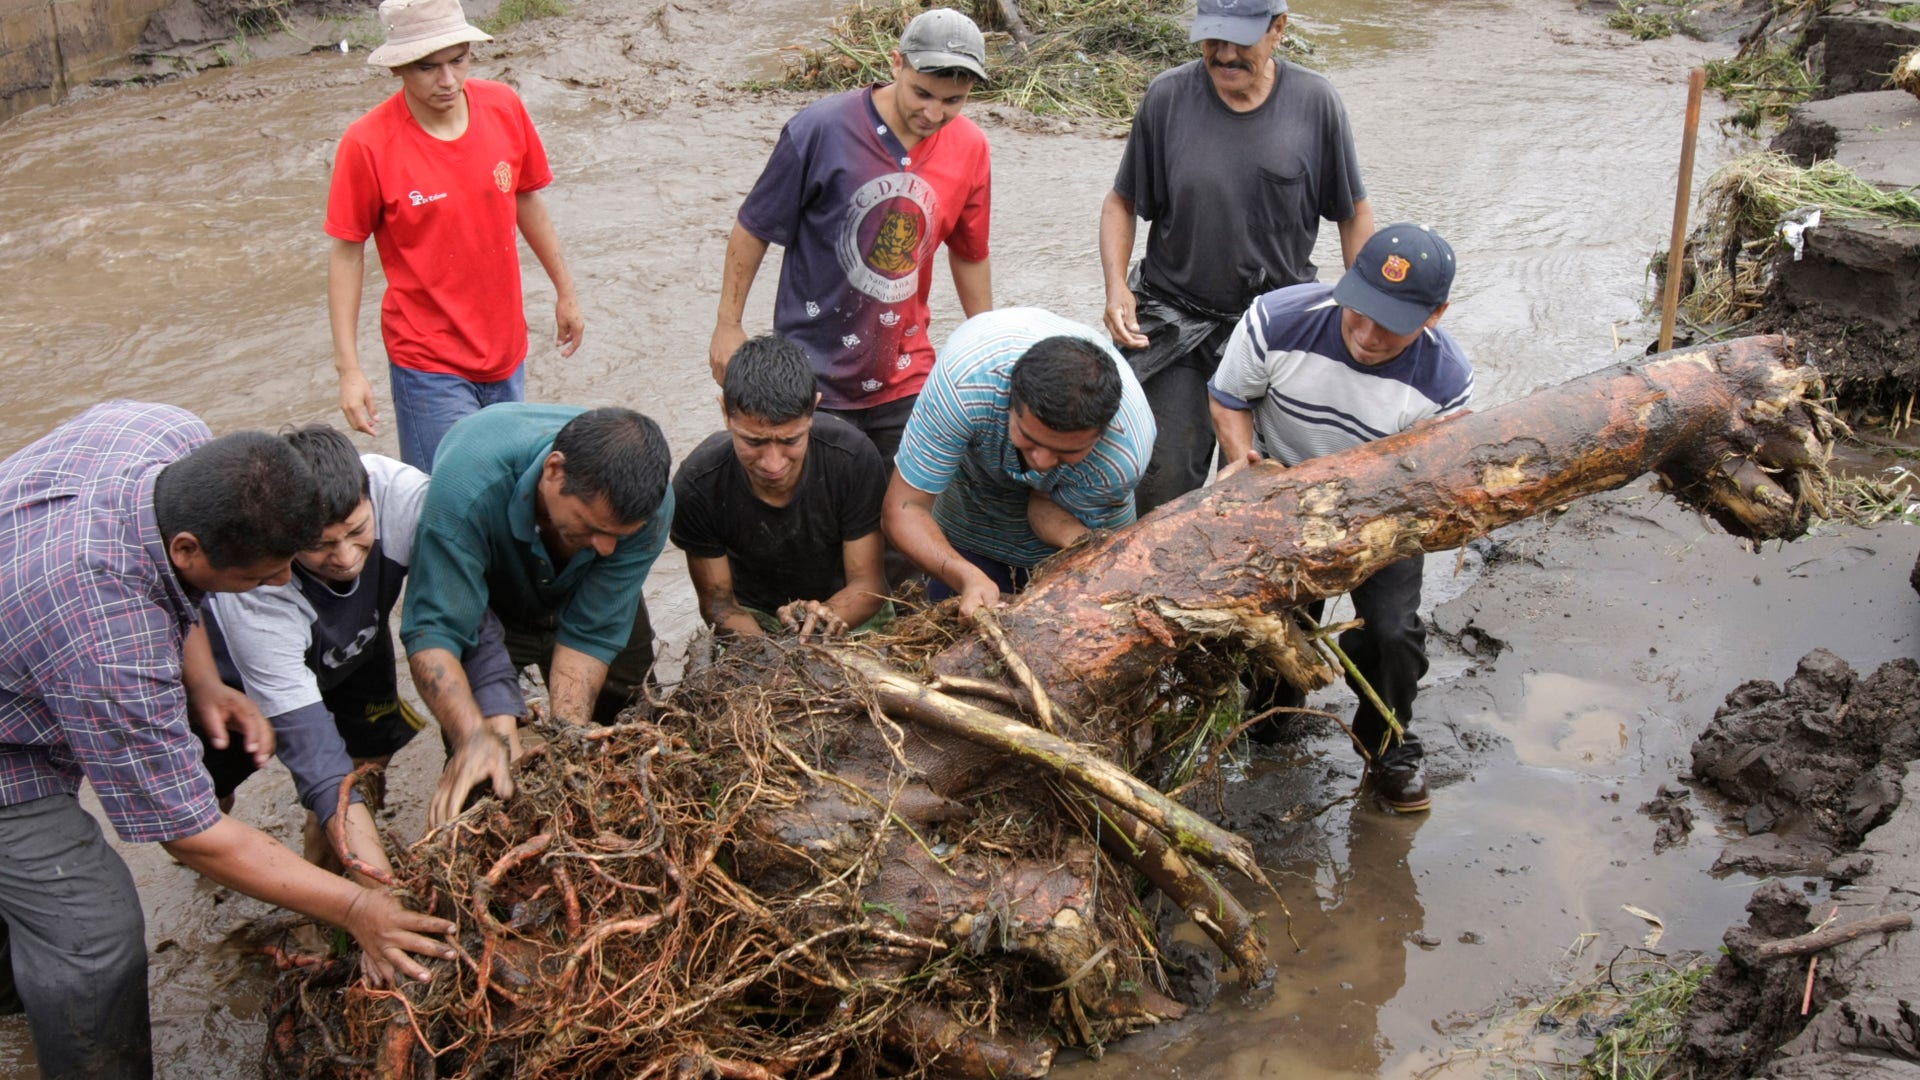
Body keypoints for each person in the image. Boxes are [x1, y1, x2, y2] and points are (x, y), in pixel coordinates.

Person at [0, 402, 457, 1079]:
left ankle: (15, 1001)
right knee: (93, 932)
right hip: (15, 739)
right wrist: (357, 906)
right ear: (190, 549)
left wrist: (206, 680)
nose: (277, 587)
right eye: (255, 578)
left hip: (23, 616)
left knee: (28, 915)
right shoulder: (111, 644)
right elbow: (190, 833)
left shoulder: (165, 436)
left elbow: (165, 579)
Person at [1207, 223, 1473, 813]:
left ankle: (1390, 746)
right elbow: (1229, 399)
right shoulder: (1276, 320)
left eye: (1392, 324)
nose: (1368, 335)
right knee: (1272, 625)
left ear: (1435, 315)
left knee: (1392, 633)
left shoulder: (1446, 381)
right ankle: (1269, 711)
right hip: (1280, 492)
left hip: (1383, 508)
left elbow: (1428, 484)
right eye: (1360, 312)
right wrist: (1247, 465)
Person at [197, 425, 525, 880]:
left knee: (364, 769)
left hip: (356, 644)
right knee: (207, 802)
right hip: (236, 678)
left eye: (357, 531)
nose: (348, 558)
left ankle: (330, 888)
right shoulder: (256, 596)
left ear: (370, 495)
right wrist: (379, 898)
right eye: (320, 546)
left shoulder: (406, 496)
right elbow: (316, 761)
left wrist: (495, 735)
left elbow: (467, 618)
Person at [1100, 0, 1374, 516]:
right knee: (1162, 481)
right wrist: (1116, 286)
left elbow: (1353, 213)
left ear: (1278, 30)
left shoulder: (1316, 104)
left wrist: (1358, 309)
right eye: (1213, 39)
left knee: (1278, 486)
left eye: (1239, 42)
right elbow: (1122, 201)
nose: (1224, 55)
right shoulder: (1167, 98)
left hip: (1276, 331)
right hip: (1177, 323)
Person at [709, 7, 994, 463]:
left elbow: (970, 252)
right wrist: (728, 324)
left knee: (903, 509)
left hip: (906, 369)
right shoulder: (819, 130)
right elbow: (754, 227)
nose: (934, 112)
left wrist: (986, 341)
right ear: (897, 64)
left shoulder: (971, 147)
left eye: (953, 100)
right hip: (811, 371)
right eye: (922, 93)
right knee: (821, 511)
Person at [327, 0, 584, 469]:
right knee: (447, 501)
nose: (447, 81)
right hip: (427, 361)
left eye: (459, 60)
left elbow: (526, 199)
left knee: (509, 495)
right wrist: (349, 370)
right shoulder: (367, 145)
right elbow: (347, 252)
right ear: (398, 68)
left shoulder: (503, 106)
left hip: (506, 350)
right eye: (428, 67)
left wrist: (565, 290)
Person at [401, 404, 672, 827]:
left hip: (588, 592)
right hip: (493, 600)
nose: (604, 547)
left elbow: (591, 635)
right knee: (485, 773)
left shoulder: (648, 510)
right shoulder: (465, 485)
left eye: (617, 536)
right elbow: (433, 631)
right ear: (554, 471)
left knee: (632, 729)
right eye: (589, 526)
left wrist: (568, 756)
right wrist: (473, 735)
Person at [883, 308, 1155, 614]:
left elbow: (1043, 503)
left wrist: (1087, 550)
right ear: (1008, 402)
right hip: (973, 504)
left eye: (1065, 452)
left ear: (1101, 435)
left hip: (1072, 520)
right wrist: (966, 576)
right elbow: (905, 508)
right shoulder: (965, 387)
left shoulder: (1121, 457)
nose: (1041, 462)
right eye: (1030, 439)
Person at [673, 335, 891, 640]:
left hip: (848, 606)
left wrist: (822, 618)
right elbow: (719, 606)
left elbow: (868, 585)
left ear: (813, 410)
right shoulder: (698, 485)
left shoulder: (853, 459)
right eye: (754, 441)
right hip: (755, 618)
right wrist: (772, 654)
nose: (773, 464)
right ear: (725, 412)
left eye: (790, 441)